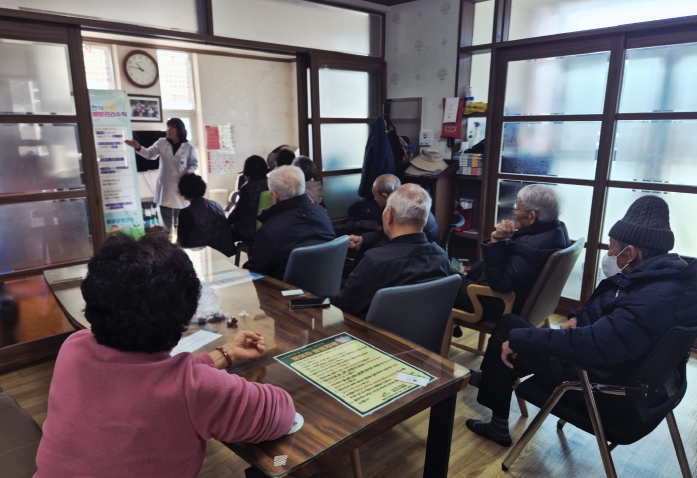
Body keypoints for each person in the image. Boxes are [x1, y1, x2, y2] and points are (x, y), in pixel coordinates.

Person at [34, 233, 295, 477]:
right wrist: (213, 376)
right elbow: (281, 413)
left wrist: (223, 355)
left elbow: (152, 377)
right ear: (185, 313)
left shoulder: (73, 346)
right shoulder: (193, 390)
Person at [465, 195, 697, 448]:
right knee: (515, 333)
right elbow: (612, 304)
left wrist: (521, 339)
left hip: (606, 389)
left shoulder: (652, 299)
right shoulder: (669, 280)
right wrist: (578, 316)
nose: (609, 253)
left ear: (631, 253)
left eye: (613, 247)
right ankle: (493, 378)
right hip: (644, 386)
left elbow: (594, 343)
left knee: (510, 330)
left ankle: (497, 422)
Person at [453, 184, 570, 336]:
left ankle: (436, 336)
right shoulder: (557, 230)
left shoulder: (530, 248)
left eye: (517, 206)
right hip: (531, 303)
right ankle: (451, 324)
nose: (513, 211)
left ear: (532, 216)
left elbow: (500, 284)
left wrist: (497, 242)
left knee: (442, 282)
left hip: (497, 303)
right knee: (447, 274)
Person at [332, 184, 452, 319]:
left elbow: (344, 305)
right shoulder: (441, 257)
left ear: (389, 215)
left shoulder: (376, 261)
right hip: (421, 331)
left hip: (372, 331)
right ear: (426, 219)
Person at [244, 165, 335, 280]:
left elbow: (255, 272)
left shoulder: (269, 230)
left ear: (274, 196)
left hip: (285, 289)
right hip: (326, 285)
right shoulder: (321, 213)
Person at [125, 118, 198, 236]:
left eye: (171, 127)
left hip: (181, 186)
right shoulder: (161, 142)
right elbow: (149, 154)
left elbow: (193, 164)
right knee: (167, 220)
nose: (168, 130)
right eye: (167, 127)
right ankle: (169, 241)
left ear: (179, 130)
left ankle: (182, 241)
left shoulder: (189, 147)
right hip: (165, 187)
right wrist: (138, 147)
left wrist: (188, 174)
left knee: (182, 220)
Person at [348, 174, 440, 253]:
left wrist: (363, 249)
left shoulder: (402, 213)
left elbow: (397, 244)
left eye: (375, 196)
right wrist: (363, 239)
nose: (374, 199)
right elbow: (386, 234)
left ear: (384, 196)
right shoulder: (409, 205)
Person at [177, 173, 235, 257]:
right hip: (225, 251)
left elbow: (182, 242)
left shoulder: (186, 213)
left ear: (183, 190)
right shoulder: (216, 204)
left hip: (203, 254)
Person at [227, 155, 270, 243]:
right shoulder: (272, 183)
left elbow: (238, 213)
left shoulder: (247, 189)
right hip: (268, 227)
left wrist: (227, 222)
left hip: (248, 232)